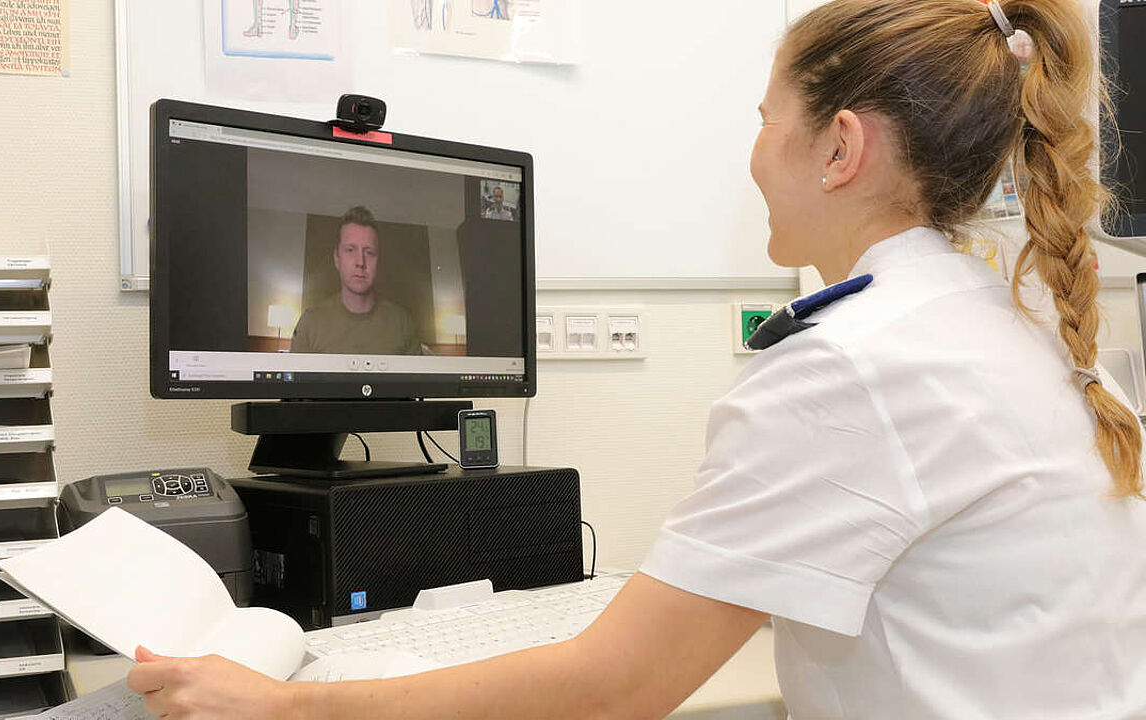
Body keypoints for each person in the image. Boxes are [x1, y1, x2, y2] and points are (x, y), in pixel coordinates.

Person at [129, 1, 1146, 717]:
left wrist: (284, 706)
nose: (754, 153)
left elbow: (613, 690)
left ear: (839, 150)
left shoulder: (857, 364)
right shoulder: (998, 322)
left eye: (765, 121)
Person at [289, 206, 422, 356]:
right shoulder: (310, 324)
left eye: (369, 252)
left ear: (378, 261)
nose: (360, 262)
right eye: (350, 250)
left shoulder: (403, 324)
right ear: (337, 259)